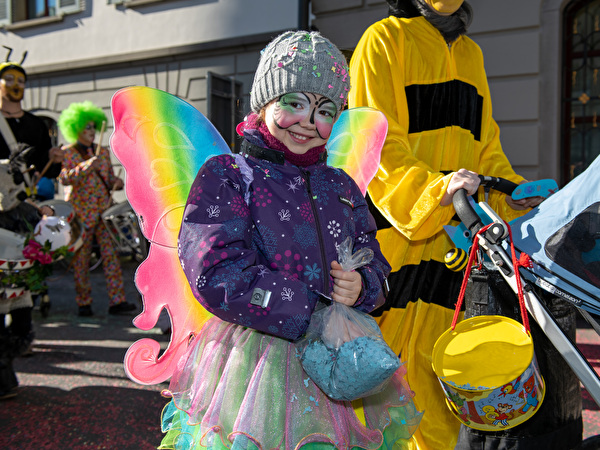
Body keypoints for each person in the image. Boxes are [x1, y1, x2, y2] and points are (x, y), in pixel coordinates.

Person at [159, 31, 421, 449]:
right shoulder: (229, 176)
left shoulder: (342, 185)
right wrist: (307, 308)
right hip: (259, 366)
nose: (307, 121)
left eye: (325, 110)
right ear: (264, 104)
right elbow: (216, 271)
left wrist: (364, 285)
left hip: (338, 356)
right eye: (293, 103)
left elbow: (374, 260)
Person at [348, 1, 581, 449]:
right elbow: (378, 145)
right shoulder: (383, 40)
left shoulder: (471, 54)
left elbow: (485, 145)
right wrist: (436, 190)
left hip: (458, 249)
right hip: (397, 245)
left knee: (443, 392)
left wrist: (513, 195)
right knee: (385, 396)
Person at [58, 101, 136, 317]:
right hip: (80, 214)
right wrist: (84, 167)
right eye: (87, 127)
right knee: (81, 259)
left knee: (111, 256)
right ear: (76, 128)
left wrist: (116, 183)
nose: (92, 131)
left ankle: (117, 301)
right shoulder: (68, 152)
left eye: (94, 126)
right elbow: (64, 178)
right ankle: (84, 302)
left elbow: (109, 178)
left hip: (103, 211)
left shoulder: (102, 152)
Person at [0, 59, 63, 192]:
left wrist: (54, 160)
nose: (16, 84)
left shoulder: (36, 124)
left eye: (21, 81)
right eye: (9, 79)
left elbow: (45, 169)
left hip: (24, 198)